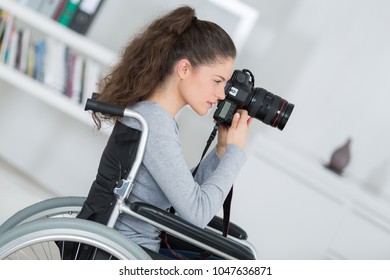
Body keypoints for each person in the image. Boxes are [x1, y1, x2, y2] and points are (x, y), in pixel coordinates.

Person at [83, 6, 252, 256]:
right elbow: (198, 213)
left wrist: (221, 152)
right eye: (217, 81)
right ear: (184, 69)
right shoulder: (156, 124)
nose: (221, 94)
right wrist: (236, 153)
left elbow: (182, 194)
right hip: (126, 253)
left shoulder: (151, 115)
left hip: (133, 247)